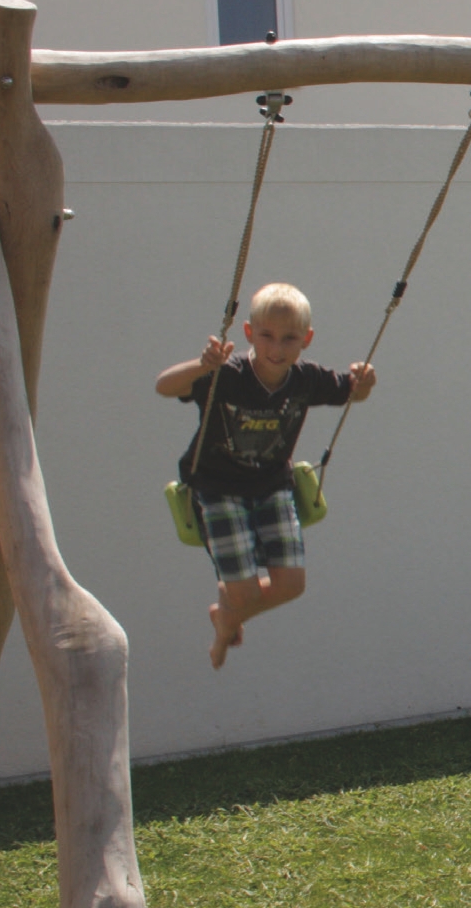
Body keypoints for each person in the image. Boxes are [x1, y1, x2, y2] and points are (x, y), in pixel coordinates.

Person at [156, 283, 375, 668]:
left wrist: (365, 382)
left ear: (306, 339)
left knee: (292, 585)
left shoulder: (306, 379)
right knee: (242, 593)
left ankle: (226, 618)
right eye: (266, 336)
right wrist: (203, 366)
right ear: (248, 333)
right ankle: (230, 614)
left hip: (272, 486)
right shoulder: (228, 374)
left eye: (289, 338)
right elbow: (164, 386)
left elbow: (352, 392)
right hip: (218, 487)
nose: (277, 348)